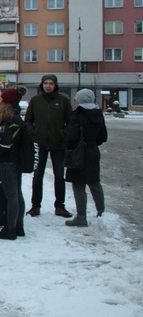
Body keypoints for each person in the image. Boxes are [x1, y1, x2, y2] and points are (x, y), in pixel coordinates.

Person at [25, 74, 73, 217]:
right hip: (40, 145)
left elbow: (70, 121)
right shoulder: (35, 101)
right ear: (42, 85)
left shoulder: (63, 100)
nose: (48, 86)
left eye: (51, 83)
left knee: (59, 176)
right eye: (45, 83)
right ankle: (35, 206)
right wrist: (34, 133)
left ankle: (60, 206)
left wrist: (63, 134)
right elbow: (28, 120)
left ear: (55, 85)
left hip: (58, 145)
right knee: (37, 175)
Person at [64, 89, 108, 227]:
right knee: (95, 182)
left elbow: (71, 136)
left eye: (76, 99)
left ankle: (81, 217)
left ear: (80, 100)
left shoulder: (78, 115)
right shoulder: (98, 113)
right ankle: (102, 212)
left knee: (78, 184)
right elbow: (103, 137)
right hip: (93, 151)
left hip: (79, 152)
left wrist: (68, 146)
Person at [0, 88, 27, 240]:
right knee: (17, 193)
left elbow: (5, 143)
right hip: (16, 160)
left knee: (11, 195)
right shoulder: (16, 117)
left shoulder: (8, 119)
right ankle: (18, 226)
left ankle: (10, 229)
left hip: (8, 161)